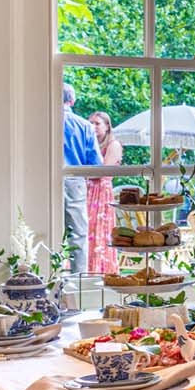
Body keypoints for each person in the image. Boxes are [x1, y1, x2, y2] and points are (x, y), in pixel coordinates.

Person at [61, 83, 99, 272]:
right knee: (77, 233)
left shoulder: (43, 120)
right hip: (75, 180)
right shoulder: (84, 125)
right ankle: (79, 279)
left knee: (47, 227)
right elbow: (96, 164)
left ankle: (51, 276)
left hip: (44, 179)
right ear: (72, 101)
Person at [87, 111, 121, 274]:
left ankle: (102, 269)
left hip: (101, 192)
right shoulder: (90, 144)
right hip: (88, 191)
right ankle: (86, 269)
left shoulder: (113, 145)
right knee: (86, 231)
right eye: (91, 123)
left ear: (107, 126)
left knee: (100, 230)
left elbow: (102, 171)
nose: (93, 127)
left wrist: (83, 172)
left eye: (97, 123)